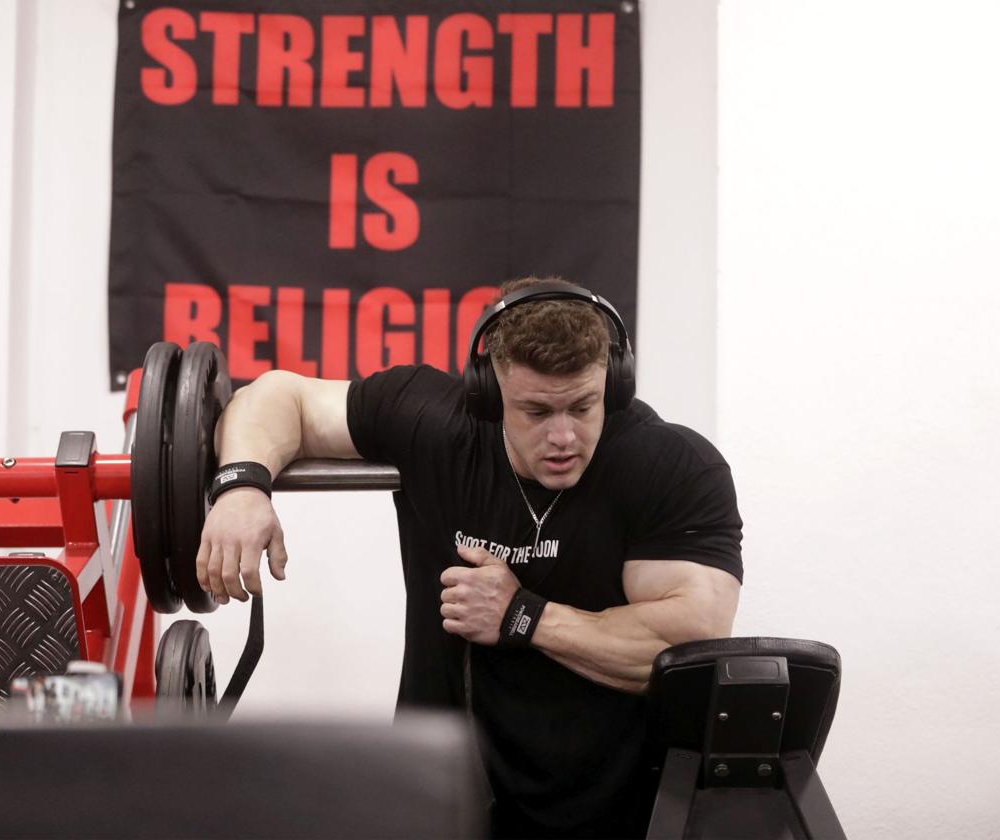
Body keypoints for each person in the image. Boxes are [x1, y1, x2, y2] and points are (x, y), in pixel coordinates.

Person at [196, 277, 743, 838]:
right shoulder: (439, 425)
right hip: (440, 796)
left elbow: (685, 647)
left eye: (582, 406)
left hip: (615, 806)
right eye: (535, 411)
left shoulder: (671, 469)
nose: (563, 436)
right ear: (488, 390)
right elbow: (276, 397)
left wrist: (522, 617)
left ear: (615, 384)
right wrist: (241, 487)